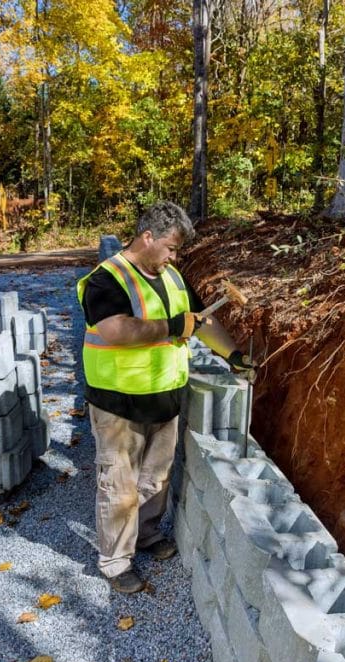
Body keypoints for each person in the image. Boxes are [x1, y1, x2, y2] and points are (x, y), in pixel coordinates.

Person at [76, 201, 255, 593]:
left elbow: (200, 321)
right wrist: (175, 326)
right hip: (117, 403)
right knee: (119, 485)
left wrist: (235, 357)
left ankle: (148, 535)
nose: (174, 256)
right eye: (170, 248)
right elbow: (117, 331)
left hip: (165, 398)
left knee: (156, 478)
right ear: (147, 237)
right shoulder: (106, 280)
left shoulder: (172, 277)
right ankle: (116, 561)